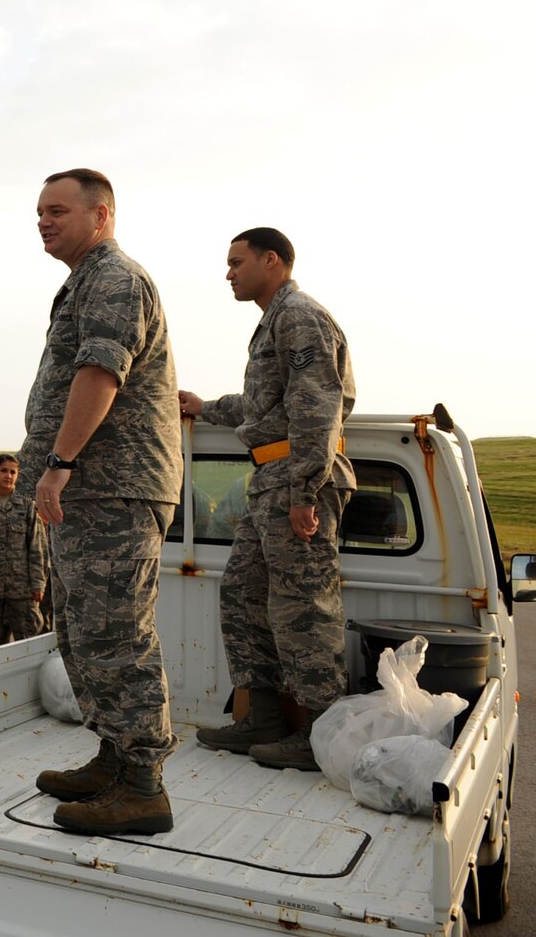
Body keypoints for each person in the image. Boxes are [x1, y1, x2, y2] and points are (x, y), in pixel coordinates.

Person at [21, 168, 183, 836]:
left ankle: (143, 785)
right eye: (38, 212)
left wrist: (59, 464)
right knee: (86, 632)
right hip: (90, 493)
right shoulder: (81, 283)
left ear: (102, 215)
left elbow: (100, 373)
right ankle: (116, 759)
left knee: (118, 634)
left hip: (112, 487)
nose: (43, 221)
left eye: (57, 210)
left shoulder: (116, 279)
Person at [180, 227, 356, 772]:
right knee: (242, 593)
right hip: (271, 478)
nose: (228, 272)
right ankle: (261, 718)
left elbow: (315, 408)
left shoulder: (299, 316)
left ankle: (319, 735)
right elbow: (264, 408)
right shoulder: (274, 321)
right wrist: (205, 406)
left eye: (237, 262)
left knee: (303, 606)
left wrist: (305, 490)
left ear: (271, 261)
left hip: (297, 483)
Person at [0, 455, 50, 646]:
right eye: (3, 470)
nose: (8, 476)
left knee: (28, 643)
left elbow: (37, 547)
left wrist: (38, 584)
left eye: (12, 472)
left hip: (22, 591)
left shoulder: (27, 507)